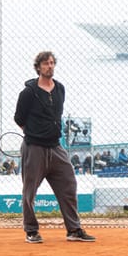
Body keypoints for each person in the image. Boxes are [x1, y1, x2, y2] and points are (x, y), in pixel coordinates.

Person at [13, 51, 95, 244]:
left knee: (69, 184)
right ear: (38, 67)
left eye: (52, 63)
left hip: (56, 147)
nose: (50, 66)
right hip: (34, 148)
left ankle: (74, 230)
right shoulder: (28, 92)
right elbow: (19, 118)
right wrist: (34, 134)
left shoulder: (60, 89)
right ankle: (31, 231)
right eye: (45, 63)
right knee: (29, 191)